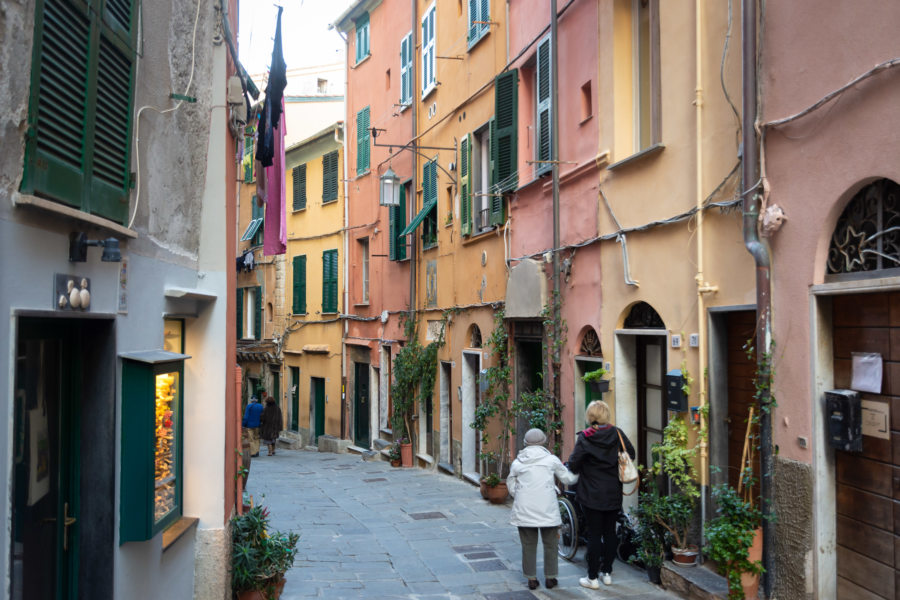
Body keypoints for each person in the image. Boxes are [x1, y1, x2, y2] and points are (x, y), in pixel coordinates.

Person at [567, 400, 635, 589]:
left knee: (594, 534)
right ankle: (607, 572)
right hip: (613, 492)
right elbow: (631, 453)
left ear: (590, 416)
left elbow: (573, 464)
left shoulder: (585, 437)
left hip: (591, 494)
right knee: (610, 532)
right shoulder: (617, 433)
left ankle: (592, 577)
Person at [507, 428, 579, 591]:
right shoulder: (551, 460)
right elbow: (567, 478)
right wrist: (581, 473)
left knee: (528, 544)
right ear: (543, 442)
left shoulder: (518, 462)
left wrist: (518, 495)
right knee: (551, 544)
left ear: (525, 443)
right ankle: (550, 577)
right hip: (547, 508)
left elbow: (511, 482)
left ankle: (531, 579)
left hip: (524, 509)